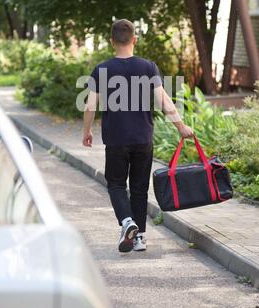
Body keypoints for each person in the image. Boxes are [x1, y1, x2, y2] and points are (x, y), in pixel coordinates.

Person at [82, 19, 193, 253]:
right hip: (143, 138)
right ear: (134, 40)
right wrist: (181, 127)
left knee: (116, 185)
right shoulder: (148, 67)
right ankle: (139, 238)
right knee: (140, 188)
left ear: (112, 42)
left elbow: (90, 105)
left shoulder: (101, 70)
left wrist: (87, 131)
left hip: (116, 139)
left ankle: (126, 222)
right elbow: (164, 101)